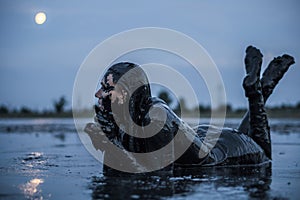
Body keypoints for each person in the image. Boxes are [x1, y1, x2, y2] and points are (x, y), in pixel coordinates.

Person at [85, 46, 295, 173]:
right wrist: (110, 139)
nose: (98, 94)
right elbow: (116, 173)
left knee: (264, 155)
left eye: (107, 88)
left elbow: (154, 179)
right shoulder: (129, 117)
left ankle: (258, 92)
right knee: (251, 138)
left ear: (128, 92)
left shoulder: (156, 120)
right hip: (204, 138)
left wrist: (110, 143)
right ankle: (260, 89)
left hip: (226, 152)